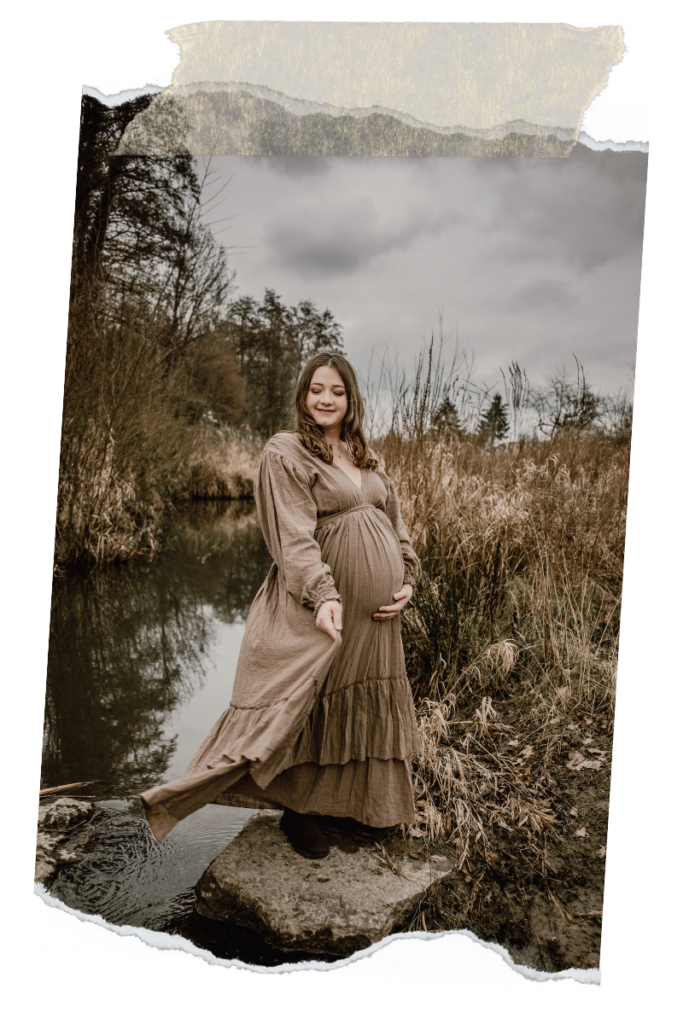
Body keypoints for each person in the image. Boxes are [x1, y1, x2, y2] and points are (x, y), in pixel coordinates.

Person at [139, 352, 423, 860]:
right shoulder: (286, 451)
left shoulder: (366, 456)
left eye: (337, 391)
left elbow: (395, 524)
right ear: (302, 395)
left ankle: (353, 805)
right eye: (317, 389)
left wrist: (407, 577)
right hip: (321, 605)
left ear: (351, 398)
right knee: (311, 699)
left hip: (378, 617)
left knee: (361, 699)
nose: (326, 399)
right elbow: (292, 536)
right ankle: (298, 810)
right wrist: (323, 594)